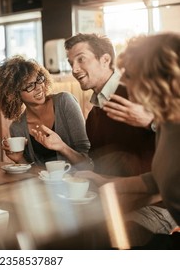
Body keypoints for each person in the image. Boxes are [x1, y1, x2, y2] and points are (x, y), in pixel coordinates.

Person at [76, 33, 180, 248]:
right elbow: (158, 178)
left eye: (130, 75)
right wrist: (109, 183)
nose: (123, 81)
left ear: (159, 79)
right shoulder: (168, 124)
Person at [64, 33, 156, 176]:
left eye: (81, 59)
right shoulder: (93, 116)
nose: (74, 70)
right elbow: (98, 166)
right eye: (71, 63)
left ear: (105, 60)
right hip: (112, 192)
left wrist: (150, 122)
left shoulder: (138, 90)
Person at [0, 55, 91, 169]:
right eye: (29, 86)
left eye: (39, 79)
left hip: (76, 183)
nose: (39, 87)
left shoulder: (64, 102)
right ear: (14, 94)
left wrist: (62, 147)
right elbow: (33, 176)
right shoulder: (17, 127)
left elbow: (88, 163)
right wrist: (19, 159)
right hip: (42, 185)